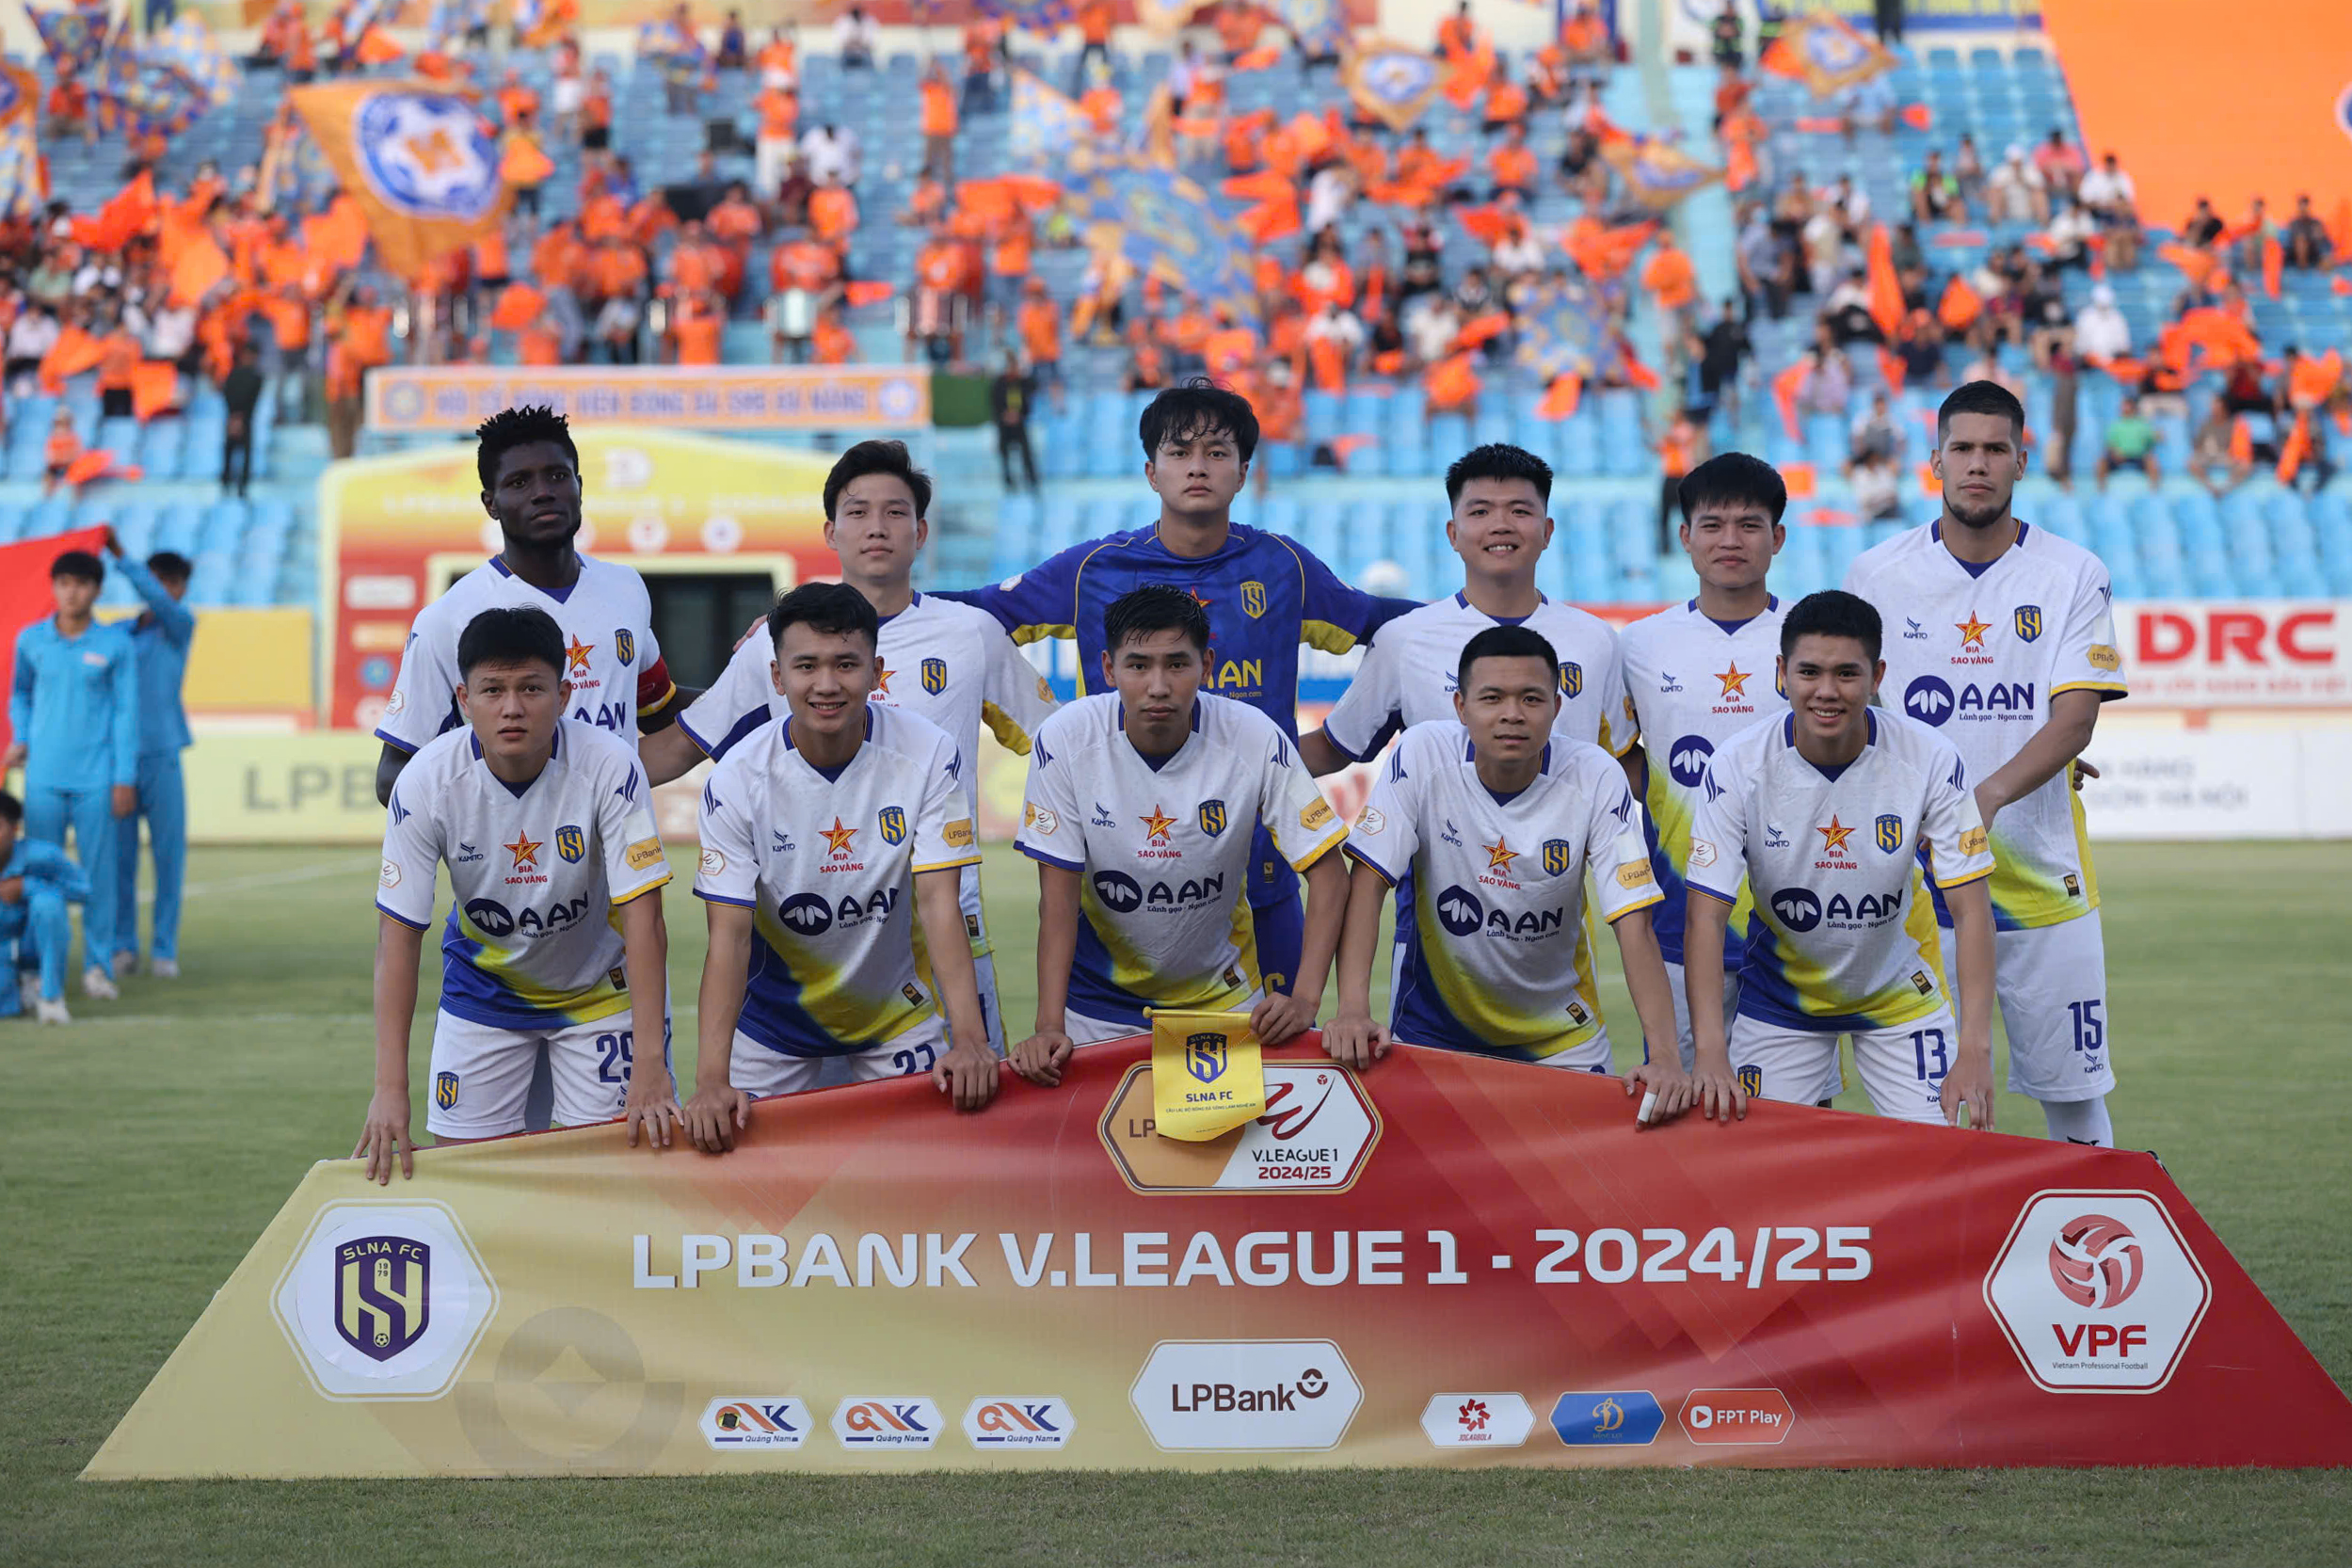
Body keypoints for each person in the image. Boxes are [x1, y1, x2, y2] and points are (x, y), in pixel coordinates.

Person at [938, 380, 1415, 999]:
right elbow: (967, 614)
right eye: (1179, 451)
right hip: (1121, 870)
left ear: (1243, 472)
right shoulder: (1093, 569)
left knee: (1279, 1048)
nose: (1197, 466)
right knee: (1108, 1051)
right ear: (1151, 471)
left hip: (1259, 871)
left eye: (1216, 452)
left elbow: (1388, 627)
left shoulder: (1283, 568)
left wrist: (1340, 740)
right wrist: (849, 607)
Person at [650, 441, 1057, 1058]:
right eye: (858, 512)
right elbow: (681, 747)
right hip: (814, 932)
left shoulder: (971, 634)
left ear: (921, 533)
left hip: (944, 923)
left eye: (895, 512)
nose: (877, 527)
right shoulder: (774, 643)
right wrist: (568, 773)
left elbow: (1059, 745)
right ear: (830, 531)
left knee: (966, 1098)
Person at [1843, 380, 2128, 1146]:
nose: (1978, 464)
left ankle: (2090, 1218)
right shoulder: (1875, 574)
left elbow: (2075, 718)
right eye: (1962, 448)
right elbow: (1849, 713)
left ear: (2020, 461)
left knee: (2073, 1094)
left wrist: (1990, 792)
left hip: (2041, 879)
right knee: (1930, 1108)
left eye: (1995, 449)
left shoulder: (2072, 572)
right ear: (1934, 460)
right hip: (1914, 882)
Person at [356, 607, 676, 1181]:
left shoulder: (610, 765)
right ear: (463, 698)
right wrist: (389, 1088)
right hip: (484, 992)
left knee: (616, 1180)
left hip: (598, 993)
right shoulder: (426, 781)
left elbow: (645, 919)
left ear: (564, 694)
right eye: (492, 690)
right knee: (472, 1180)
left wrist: (652, 1064)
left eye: (531, 688)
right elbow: (397, 939)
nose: (512, 708)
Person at [1322, 626, 1692, 1111]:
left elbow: (1634, 923)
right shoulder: (1422, 753)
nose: (1512, 714)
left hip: (1563, 1039)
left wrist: (1664, 1056)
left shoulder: (1596, 774)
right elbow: (1369, 885)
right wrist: (1352, 1010)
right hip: (1433, 1032)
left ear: (1556, 708)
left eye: (1531, 699)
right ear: (1461, 707)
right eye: (1492, 698)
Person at [684, 584, 999, 1148]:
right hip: (771, 1022)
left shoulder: (928, 752)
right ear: (778, 677)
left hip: (898, 1015)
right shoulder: (736, 777)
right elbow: (729, 938)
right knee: (753, 1185)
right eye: (806, 666)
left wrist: (970, 1040)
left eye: (846, 664)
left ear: (876, 672)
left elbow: (938, 904)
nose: (827, 684)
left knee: (924, 1176)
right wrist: (711, 1080)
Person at [1007, 585, 1351, 1083]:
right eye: (1138, 665)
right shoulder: (1065, 737)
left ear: (1206, 666)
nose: (1158, 686)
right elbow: (1056, 902)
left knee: (1229, 1137)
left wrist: (1305, 999)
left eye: (1176, 664)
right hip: (1095, 1008)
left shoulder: (1253, 735)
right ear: (1108, 669)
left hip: (1222, 1002)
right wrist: (1048, 1026)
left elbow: (1330, 873)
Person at [1684, 590, 1997, 1128]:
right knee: (1757, 1165)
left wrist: (1975, 1049)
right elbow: (1706, 918)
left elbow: (1971, 911)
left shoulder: (1931, 757)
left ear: (1877, 677)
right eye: (1809, 672)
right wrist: (1711, 1051)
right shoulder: (1736, 766)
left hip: (1901, 993)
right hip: (1780, 997)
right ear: (1781, 673)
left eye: (1847, 674)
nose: (1826, 691)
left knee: (1944, 1159)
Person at [374, 407, 686, 807]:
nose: (543, 492)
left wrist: (753, 679)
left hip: (624, 841)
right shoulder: (448, 618)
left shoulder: (625, 587)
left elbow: (657, 709)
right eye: (519, 482)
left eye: (557, 476)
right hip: (513, 846)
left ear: (579, 485)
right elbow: (392, 779)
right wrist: (502, 808)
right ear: (491, 503)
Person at [1304, 443, 1633, 772]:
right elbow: (1333, 749)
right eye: (1480, 512)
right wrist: (1269, 759)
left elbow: (1623, 763)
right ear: (1453, 534)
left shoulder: (1596, 639)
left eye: (1520, 511)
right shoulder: (1402, 639)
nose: (1500, 525)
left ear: (1547, 532)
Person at [1616, 454, 1790, 1069]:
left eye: (1749, 525)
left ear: (1777, 538)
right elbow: (1618, 764)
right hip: (1679, 917)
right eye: (1712, 525)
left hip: (1796, 924)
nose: (1730, 540)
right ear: (1685, 537)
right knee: (1686, 1103)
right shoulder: (1639, 644)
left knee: (1796, 1110)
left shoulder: (1810, 637)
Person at [6, 550, 136, 1001]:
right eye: (63, 583)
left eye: (81, 584)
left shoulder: (116, 645)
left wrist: (124, 777)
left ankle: (98, 967)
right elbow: (19, 694)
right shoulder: (31, 640)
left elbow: (126, 713)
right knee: (37, 876)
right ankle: (35, 970)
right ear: (54, 587)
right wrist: (22, 736)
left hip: (96, 779)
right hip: (42, 776)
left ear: (97, 590)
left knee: (98, 877)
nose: (71, 592)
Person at [104, 538, 194, 980]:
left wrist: (122, 557)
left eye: (175, 584)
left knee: (168, 859)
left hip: (163, 755)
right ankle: (123, 946)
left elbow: (158, 602)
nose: (168, 591)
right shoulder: (117, 633)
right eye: (163, 581)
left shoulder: (179, 626)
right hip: (118, 761)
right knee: (119, 861)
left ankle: (163, 949)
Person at [0, 788, 88, 1024]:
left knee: (48, 903)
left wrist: (27, 886)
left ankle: (50, 996)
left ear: (15, 829)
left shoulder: (42, 856)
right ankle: (20, 990)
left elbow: (84, 890)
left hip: (32, 944)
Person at [989, 350, 1039, 494]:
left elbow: (1033, 387)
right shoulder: (999, 384)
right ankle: (1009, 483)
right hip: (1004, 424)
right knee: (1004, 453)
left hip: (1019, 423)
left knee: (1027, 452)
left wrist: (1019, 415)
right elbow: (994, 403)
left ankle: (1032, 482)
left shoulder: (1022, 382)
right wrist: (1005, 415)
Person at [220, 341, 264, 498]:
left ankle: (242, 488)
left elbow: (251, 399)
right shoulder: (234, 374)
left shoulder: (256, 377)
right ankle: (226, 485)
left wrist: (238, 416)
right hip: (234, 417)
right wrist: (235, 416)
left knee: (244, 454)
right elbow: (227, 394)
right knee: (229, 453)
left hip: (244, 419)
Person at [2094, 394, 2160, 489]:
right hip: (2119, 456)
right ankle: (2101, 489)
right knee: (2101, 463)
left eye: (2126, 406)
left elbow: (2152, 438)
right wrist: (2115, 452)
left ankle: (2154, 490)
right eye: (2123, 407)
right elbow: (2110, 444)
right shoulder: (2116, 425)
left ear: (2133, 408)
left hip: (2138, 456)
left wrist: (2158, 436)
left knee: (2151, 461)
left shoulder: (2142, 424)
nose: (2124, 409)